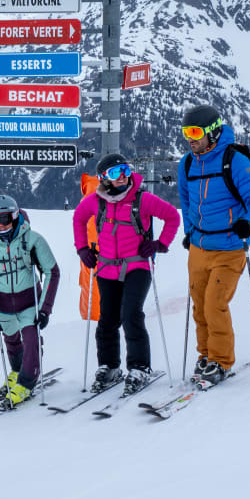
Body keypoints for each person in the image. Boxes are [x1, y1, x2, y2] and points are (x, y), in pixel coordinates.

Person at [73, 154, 180, 394]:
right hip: (106, 268)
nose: (122, 176)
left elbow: (172, 216)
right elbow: (79, 219)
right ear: (103, 179)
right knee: (107, 319)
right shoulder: (95, 201)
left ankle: (139, 367)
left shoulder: (142, 199)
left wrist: (159, 244)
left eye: (124, 169)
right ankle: (109, 367)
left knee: (131, 315)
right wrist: (81, 248)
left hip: (137, 267)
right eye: (114, 173)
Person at [178, 105, 250, 384]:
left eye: (195, 133)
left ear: (214, 132)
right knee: (198, 305)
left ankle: (220, 360)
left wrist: (249, 224)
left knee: (214, 304)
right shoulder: (187, 163)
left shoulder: (235, 161)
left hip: (229, 246)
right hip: (199, 245)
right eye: (186, 133)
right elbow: (186, 202)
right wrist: (189, 231)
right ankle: (205, 355)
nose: (190, 139)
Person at [0, 195, 60, 404]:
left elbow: (52, 272)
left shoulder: (33, 239)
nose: (0, 225)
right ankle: (17, 371)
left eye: (5, 219)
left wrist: (45, 309)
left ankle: (26, 383)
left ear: (15, 216)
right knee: (11, 340)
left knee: (31, 338)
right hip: (2, 305)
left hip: (29, 302)